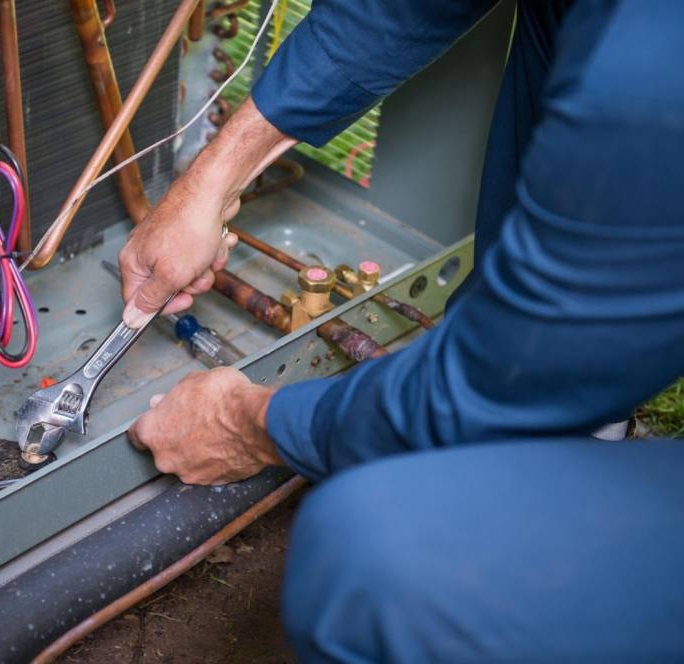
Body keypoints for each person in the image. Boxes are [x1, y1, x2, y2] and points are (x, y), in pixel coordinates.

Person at [119, 1, 684, 660]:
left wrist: (245, 425)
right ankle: (568, 429)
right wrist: (208, 183)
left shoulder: (652, 68)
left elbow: (488, 386)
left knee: (375, 555)